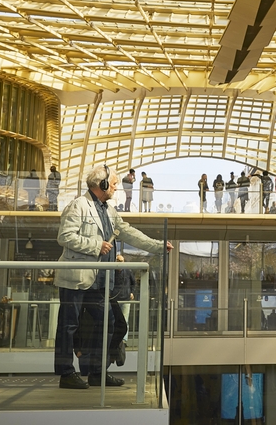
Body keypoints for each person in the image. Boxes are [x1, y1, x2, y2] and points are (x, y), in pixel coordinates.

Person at [54, 163, 172, 389]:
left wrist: (157, 246)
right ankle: (66, 374)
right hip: (76, 279)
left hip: (99, 281)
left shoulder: (109, 210)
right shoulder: (78, 206)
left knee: (109, 323)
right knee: (69, 325)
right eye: (114, 184)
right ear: (103, 184)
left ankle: (97, 372)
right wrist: (95, 246)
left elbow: (129, 232)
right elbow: (65, 237)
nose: (117, 188)